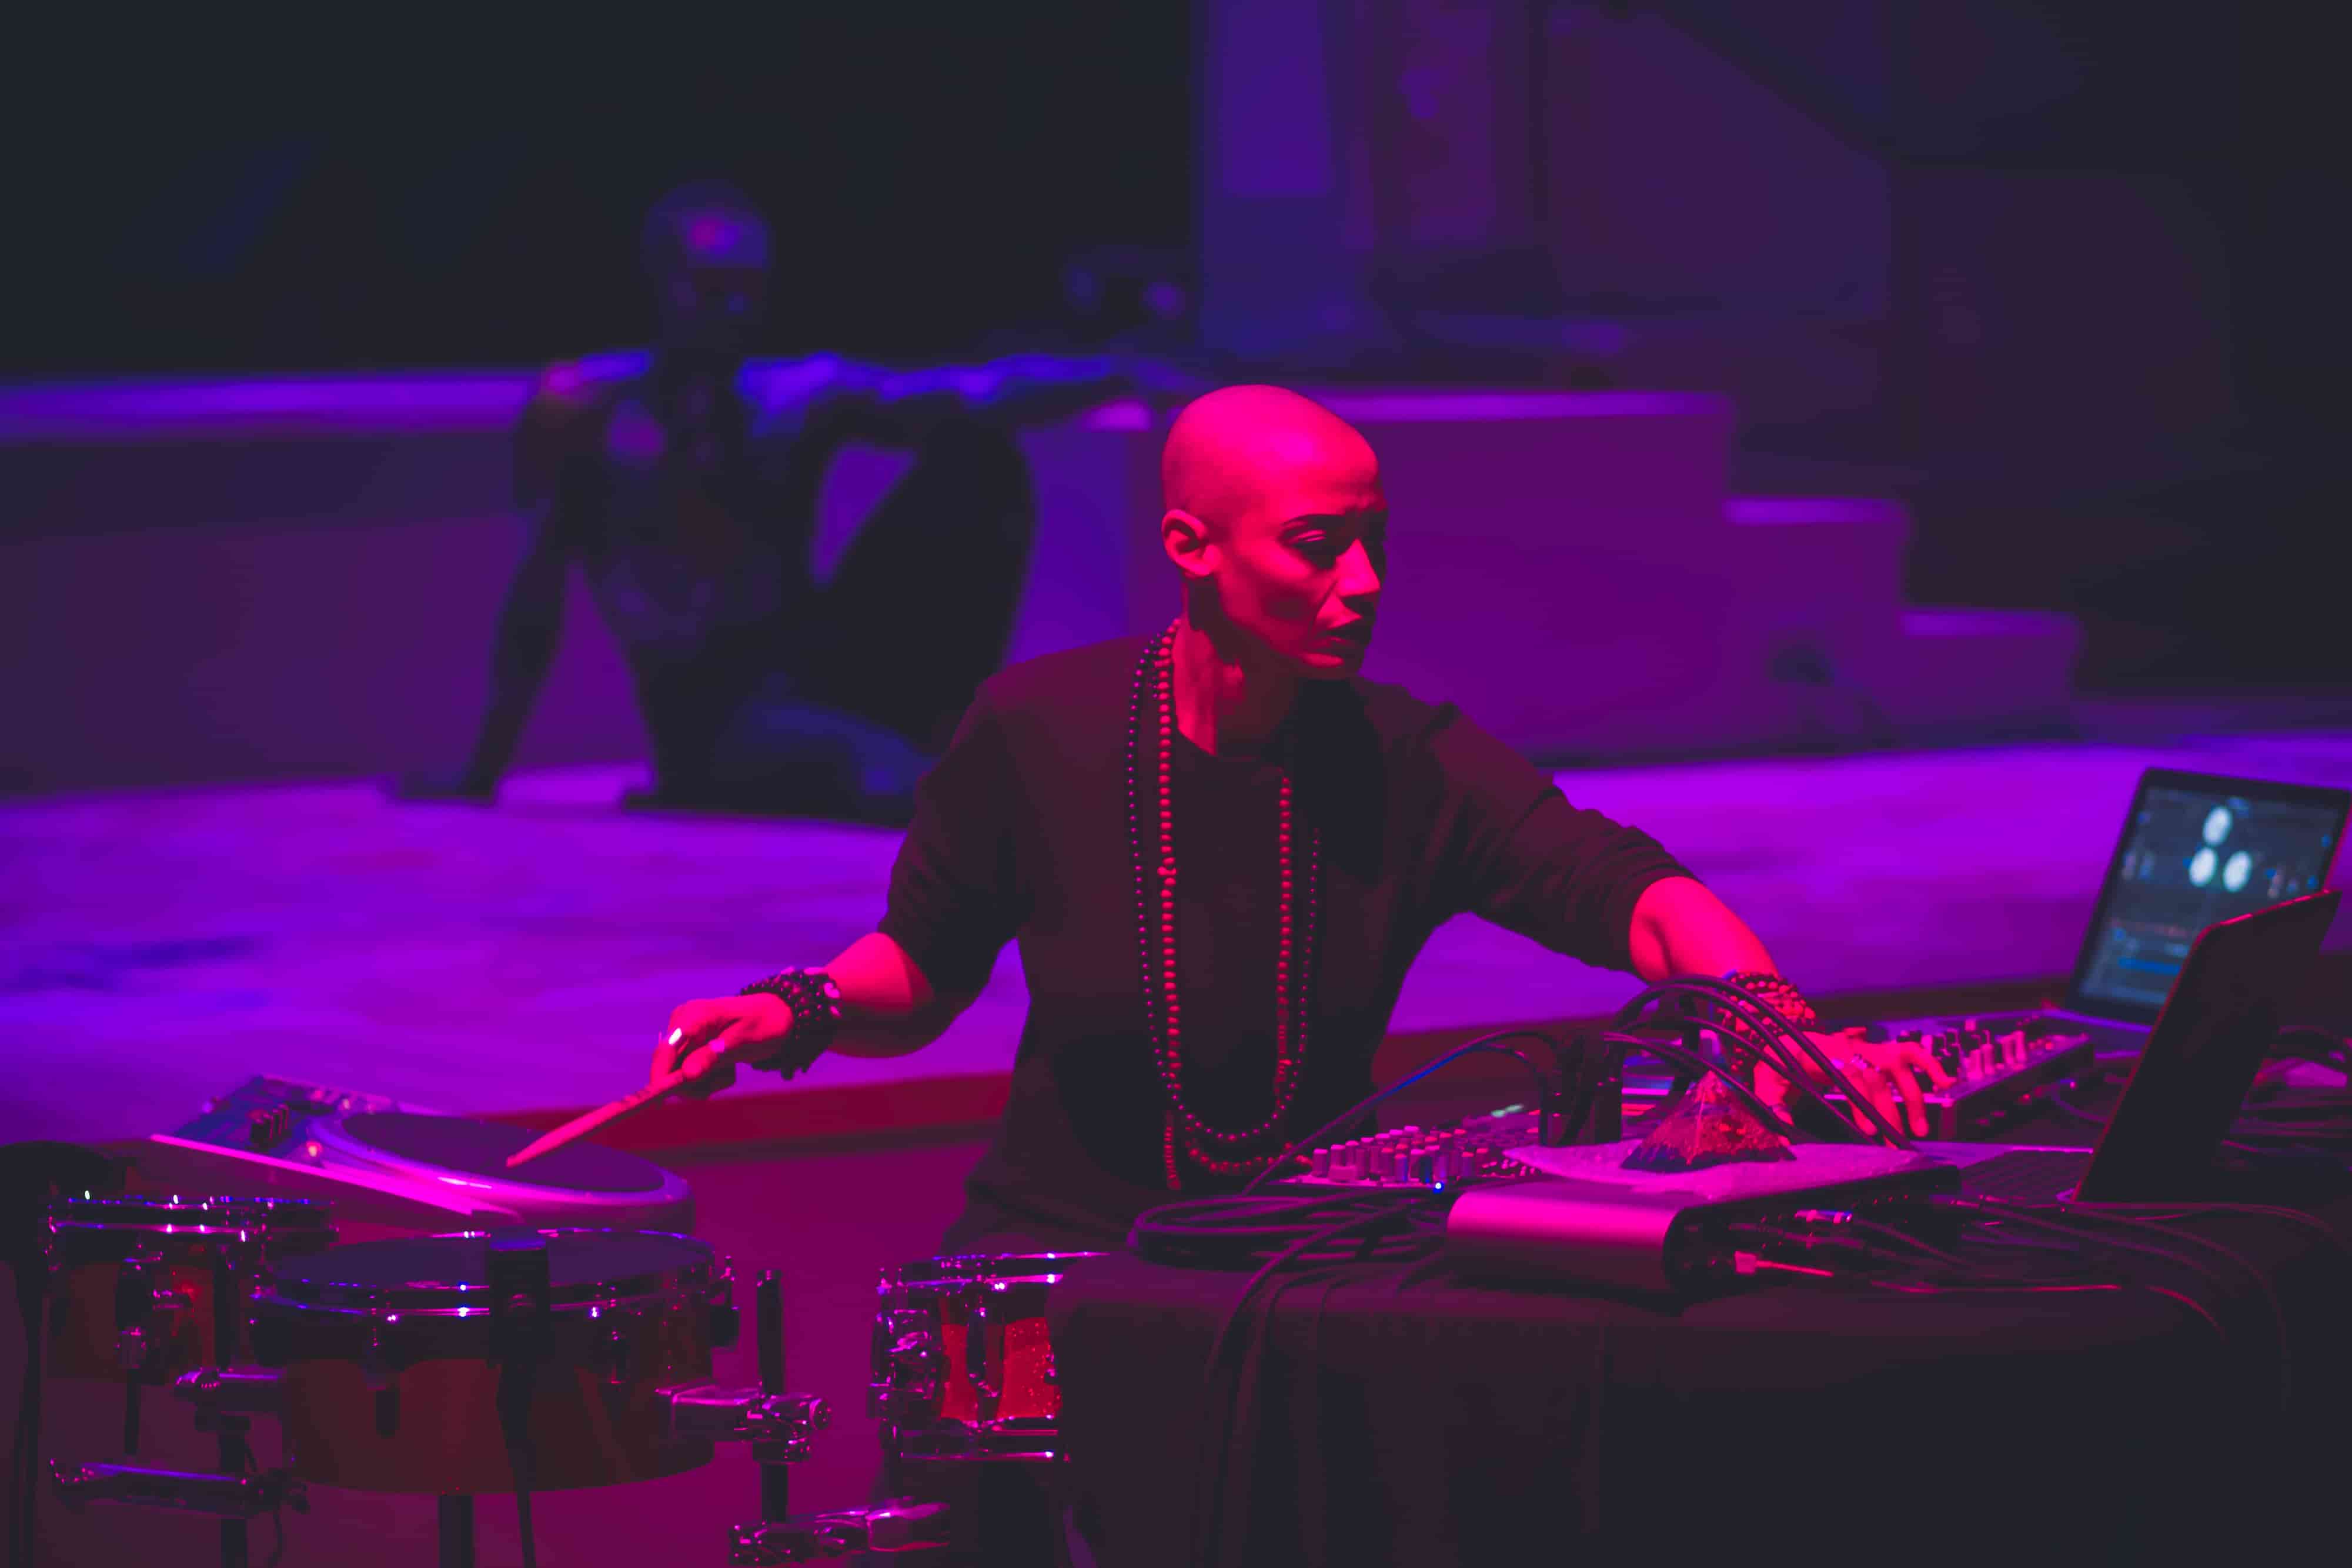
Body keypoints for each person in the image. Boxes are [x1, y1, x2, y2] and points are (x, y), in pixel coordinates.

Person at [649, 383, 1952, 1252]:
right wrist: (797, 1007)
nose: (1364, 583)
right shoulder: (1038, 726)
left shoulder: (1407, 760)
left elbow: (1639, 899)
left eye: (1374, 542)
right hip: (1052, 1261)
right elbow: (919, 969)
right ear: (1191, 544)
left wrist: (1779, 1024)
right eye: (1319, 545)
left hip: (1293, 1267)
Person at [403, 179, 1178, 821]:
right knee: (906, 786)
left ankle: (931, 741)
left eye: (749, 291)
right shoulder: (588, 414)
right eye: (710, 290)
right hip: (715, 720)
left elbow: (967, 396)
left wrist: (1116, 372)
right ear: (661, 289)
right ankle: (922, 772)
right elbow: (534, 601)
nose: (733, 311)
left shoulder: (789, 397)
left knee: (976, 459)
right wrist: (482, 771)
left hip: (812, 664)